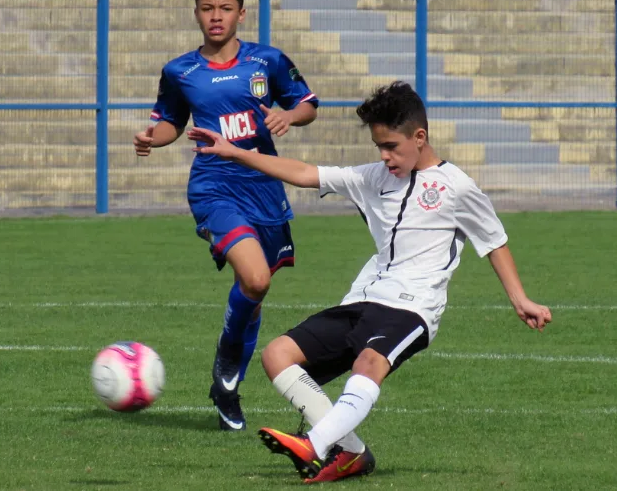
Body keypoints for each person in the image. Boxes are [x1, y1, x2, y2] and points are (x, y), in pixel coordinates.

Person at [186, 81, 553, 482]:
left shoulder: (456, 187)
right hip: (362, 301)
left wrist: (521, 300)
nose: (384, 156)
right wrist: (235, 152)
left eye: (392, 146)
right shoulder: (373, 177)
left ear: (420, 137)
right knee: (277, 355)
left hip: (412, 308)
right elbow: (305, 173)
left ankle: (315, 444)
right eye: (379, 146)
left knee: (369, 362)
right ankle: (352, 451)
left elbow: (494, 242)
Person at [132, 0, 318, 432]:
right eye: (207, 8)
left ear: (240, 12)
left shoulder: (267, 60)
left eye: (225, 8)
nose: (215, 17)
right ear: (196, 11)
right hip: (214, 186)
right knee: (254, 280)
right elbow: (170, 122)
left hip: (264, 187)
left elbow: (309, 104)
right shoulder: (180, 71)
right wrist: (150, 138)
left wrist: (287, 115)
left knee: (254, 292)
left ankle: (227, 387)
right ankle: (227, 369)